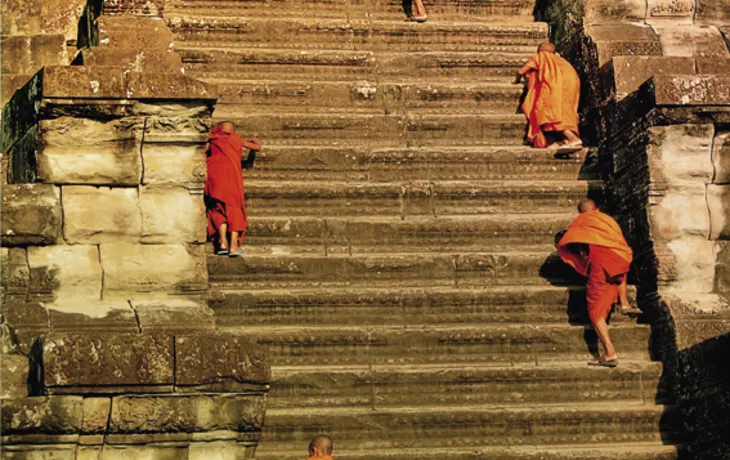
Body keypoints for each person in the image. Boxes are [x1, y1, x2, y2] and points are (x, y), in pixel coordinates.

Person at [557, 199, 642, 368]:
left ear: (580, 213)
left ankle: (610, 352)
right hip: (621, 259)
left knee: (595, 312)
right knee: (618, 272)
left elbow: (578, 249)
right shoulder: (607, 220)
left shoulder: (581, 223)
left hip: (600, 265)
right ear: (597, 209)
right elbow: (617, 243)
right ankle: (625, 303)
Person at [204, 121, 261, 257]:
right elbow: (257, 147)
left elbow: (203, 151)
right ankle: (233, 245)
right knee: (234, 209)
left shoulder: (213, 139)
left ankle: (223, 242)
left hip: (215, 180)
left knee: (218, 209)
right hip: (231, 181)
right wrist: (255, 140)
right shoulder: (236, 139)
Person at [515, 42, 582, 150]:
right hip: (572, 83)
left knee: (550, 113)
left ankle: (572, 138)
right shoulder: (563, 62)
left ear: (540, 51)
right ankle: (562, 140)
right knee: (565, 111)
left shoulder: (542, 57)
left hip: (555, 85)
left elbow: (521, 71)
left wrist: (516, 81)